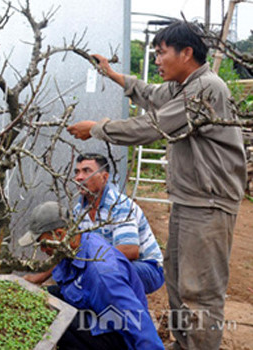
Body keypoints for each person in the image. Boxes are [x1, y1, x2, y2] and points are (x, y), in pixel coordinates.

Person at [67, 21, 246, 350]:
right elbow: (150, 96)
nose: (158, 60)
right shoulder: (182, 87)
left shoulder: (206, 87)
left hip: (209, 204)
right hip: (189, 201)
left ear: (186, 52)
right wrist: (110, 73)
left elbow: (153, 126)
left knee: (201, 291)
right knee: (178, 284)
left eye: (161, 53)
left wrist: (97, 128)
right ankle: (183, 344)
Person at [18, 201, 164, 350]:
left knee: (54, 319)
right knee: (41, 298)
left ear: (59, 234)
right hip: (93, 314)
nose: (42, 250)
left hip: (115, 337)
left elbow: (138, 324)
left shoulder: (102, 274)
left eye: (43, 243)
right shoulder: (76, 243)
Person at [72, 152, 164, 294]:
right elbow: (73, 246)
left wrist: (88, 264)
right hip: (107, 264)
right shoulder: (79, 210)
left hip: (147, 268)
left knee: (102, 273)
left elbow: (130, 250)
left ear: (104, 177)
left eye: (87, 171)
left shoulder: (119, 205)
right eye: (77, 172)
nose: (79, 177)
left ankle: (130, 313)